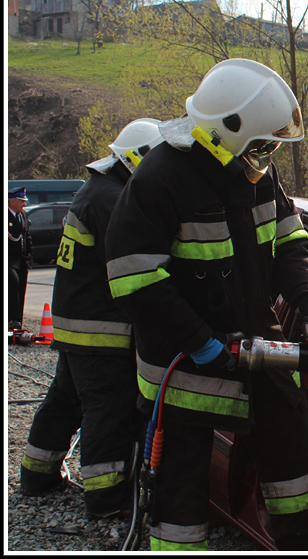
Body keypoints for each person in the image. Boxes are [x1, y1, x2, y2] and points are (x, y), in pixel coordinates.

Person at [104, 58, 308, 551]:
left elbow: (292, 239)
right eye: (262, 144)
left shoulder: (255, 175)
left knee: (294, 477)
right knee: (180, 501)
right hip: (184, 367)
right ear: (228, 132)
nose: (268, 156)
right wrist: (201, 341)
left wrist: (306, 298)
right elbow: (134, 280)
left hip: (258, 351)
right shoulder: (160, 178)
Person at [20, 119, 165, 519]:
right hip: (100, 330)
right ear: (140, 160)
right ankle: (106, 499)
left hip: (77, 325)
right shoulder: (113, 199)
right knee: (108, 409)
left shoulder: (96, 190)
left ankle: (37, 475)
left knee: (64, 401)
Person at [8, 186, 32, 329]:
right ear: (12, 202)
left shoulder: (23, 215)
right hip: (9, 260)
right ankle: (10, 319)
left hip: (21, 259)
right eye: (21, 201)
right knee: (12, 287)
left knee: (21, 289)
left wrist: (29, 257)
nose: (24, 204)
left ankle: (17, 320)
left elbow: (27, 237)